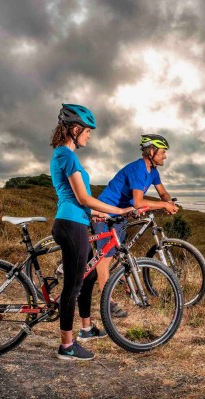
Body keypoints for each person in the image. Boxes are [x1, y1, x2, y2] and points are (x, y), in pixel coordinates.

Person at [50, 103, 134, 361]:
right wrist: (119, 211)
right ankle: (66, 346)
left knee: (86, 279)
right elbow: (83, 198)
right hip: (70, 224)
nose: (89, 136)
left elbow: (78, 201)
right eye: (87, 131)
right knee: (72, 288)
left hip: (77, 221)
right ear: (75, 129)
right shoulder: (66, 155)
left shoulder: (65, 156)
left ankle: (86, 329)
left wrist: (100, 214)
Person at [92, 134, 179, 317]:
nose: (165, 156)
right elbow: (139, 202)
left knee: (119, 253)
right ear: (151, 151)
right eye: (162, 152)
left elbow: (162, 193)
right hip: (106, 213)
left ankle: (122, 283)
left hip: (121, 213)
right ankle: (107, 302)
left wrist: (170, 203)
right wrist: (164, 205)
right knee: (104, 258)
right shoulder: (138, 169)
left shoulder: (153, 171)